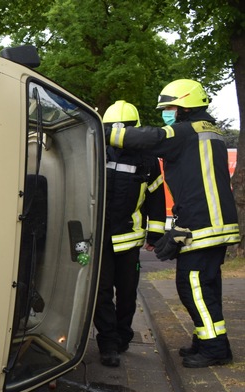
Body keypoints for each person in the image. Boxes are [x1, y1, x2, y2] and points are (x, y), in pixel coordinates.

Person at [107, 79, 240, 368]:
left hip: (204, 225)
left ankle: (215, 348)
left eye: (169, 107)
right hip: (211, 222)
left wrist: (106, 132)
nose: (167, 113)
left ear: (183, 106)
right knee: (205, 286)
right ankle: (207, 340)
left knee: (193, 286)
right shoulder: (210, 131)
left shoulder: (188, 131)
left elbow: (150, 138)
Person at [95, 100, 166, 367]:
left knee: (127, 292)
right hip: (99, 238)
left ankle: (123, 335)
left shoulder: (148, 160)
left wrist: (155, 235)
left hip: (129, 238)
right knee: (101, 293)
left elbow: (156, 199)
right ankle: (108, 342)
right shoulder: (96, 151)